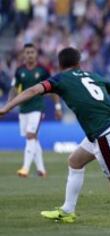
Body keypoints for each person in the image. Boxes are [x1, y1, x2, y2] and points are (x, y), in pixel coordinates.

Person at [0, 47, 110, 224]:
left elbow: (32, 91)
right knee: (75, 161)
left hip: (104, 134)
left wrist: (7, 107)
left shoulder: (60, 79)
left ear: (60, 65)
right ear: (78, 63)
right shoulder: (93, 76)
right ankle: (68, 210)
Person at [7, 43, 62, 178]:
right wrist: (8, 105)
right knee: (33, 138)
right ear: (23, 55)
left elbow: (53, 87)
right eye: (27, 52)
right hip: (23, 109)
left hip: (37, 108)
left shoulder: (43, 70)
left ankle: (25, 168)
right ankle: (41, 170)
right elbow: (14, 89)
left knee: (30, 135)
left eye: (32, 52)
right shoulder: (19, 71)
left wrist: (58, 107)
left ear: (36, 54)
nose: (30, 55)